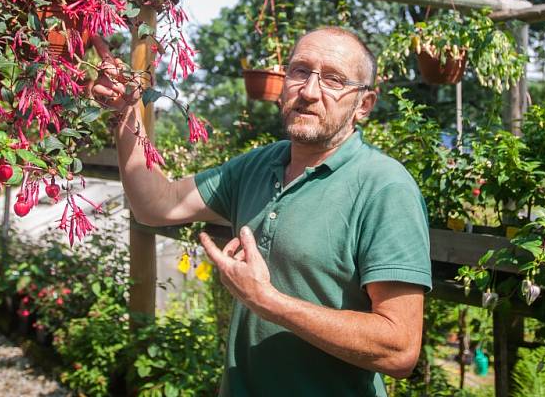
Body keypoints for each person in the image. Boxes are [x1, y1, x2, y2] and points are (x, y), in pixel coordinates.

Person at [91, 27, 432, 396]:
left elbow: (400, 349)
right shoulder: (260, 164)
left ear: (363, 105)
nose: (309, 91)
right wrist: (125, 110)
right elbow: (155, 203)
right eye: (300, 71)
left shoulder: (385, 187)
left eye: (333, 79)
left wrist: (269, 302)